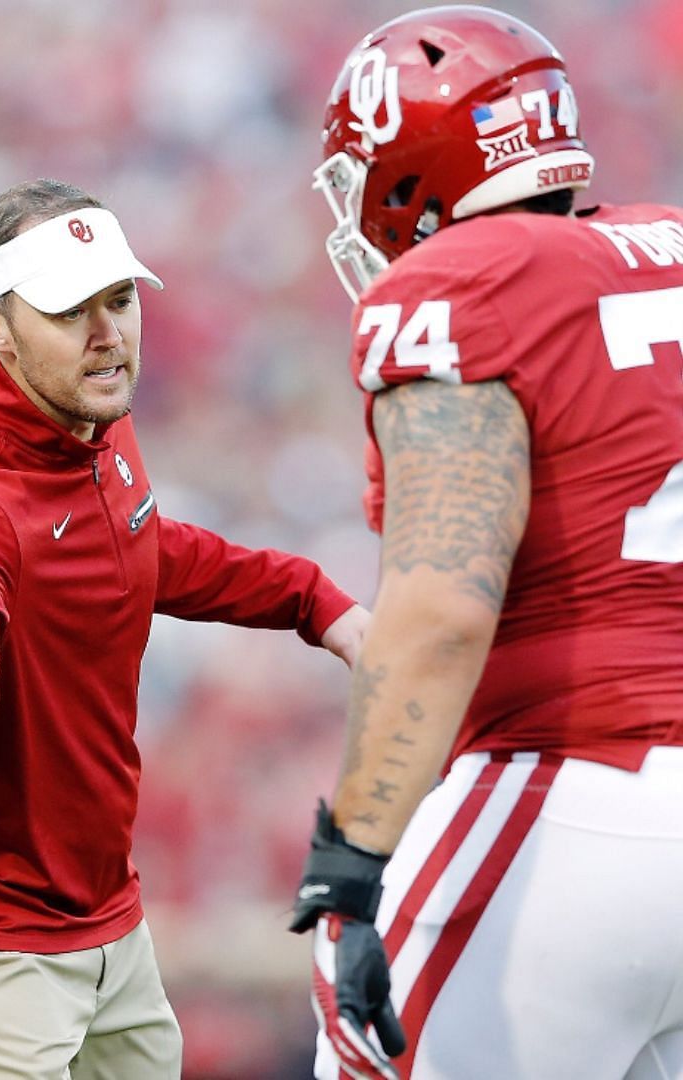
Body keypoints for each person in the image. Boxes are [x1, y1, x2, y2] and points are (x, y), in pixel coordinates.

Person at [0, 180, 368, 1078]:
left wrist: (314, 601)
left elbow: (138, 547)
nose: (108, 333)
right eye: (68, 310)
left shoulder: (93, 421)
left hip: (99, 913)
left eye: (119, 299)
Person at [290, 9, 683, 1078]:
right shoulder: (668, 249)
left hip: (570, 799)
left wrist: (351, 862)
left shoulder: (458, 285)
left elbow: (444, 605)